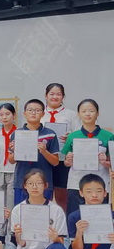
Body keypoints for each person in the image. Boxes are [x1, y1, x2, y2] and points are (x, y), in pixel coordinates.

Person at [11, 169, 68, 249]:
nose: (34, 187)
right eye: (30, 183)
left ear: (46, 185)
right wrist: (19, 235)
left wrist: (55, 238)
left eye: (39, 183)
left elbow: (61, 242)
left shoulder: (56, 210)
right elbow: (21, 244)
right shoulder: (18, 210)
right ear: (25, 186)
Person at [61, 99, 113, 216]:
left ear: (98, 113)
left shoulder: (108, 136)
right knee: (75, 216)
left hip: (100, 183)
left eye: (91, 111)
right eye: (84, 111)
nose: (88, 114)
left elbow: (112, 163)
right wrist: (68, 161)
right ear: (78, 114)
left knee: (99, 217)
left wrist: (106, 162)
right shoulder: (72, 136)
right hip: (76, 183)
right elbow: (66, 163)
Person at [9, 99, 59, 205]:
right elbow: (11, 160)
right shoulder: (17, 133)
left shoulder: (50, 134)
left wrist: (44, 152)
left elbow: (55, 162)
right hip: (22, 181)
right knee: (21, 211)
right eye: (30, 110)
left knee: (43, 211)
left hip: (44, 183)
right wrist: (17, 151)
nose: (33, 113)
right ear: (24, 113)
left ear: (43, 114)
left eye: (37, 110)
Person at [41, 83, 81, 213]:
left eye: (58, 94)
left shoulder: (71, 115)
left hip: (63, 160)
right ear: (46, 95)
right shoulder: (40, 113)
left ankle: (63, 221)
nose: (55, 97)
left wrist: (71, 137)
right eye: (51, 94)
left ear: (63, 96)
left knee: (61, 195)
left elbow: (79, 135)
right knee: (42, 192)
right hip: (43, 159)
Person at [0, 103, 17, 212]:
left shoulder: (20, 133)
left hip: (14, 171)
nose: (4, 117)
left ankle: (10, 224)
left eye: (7, 114)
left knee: (11, 204)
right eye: (1, 115)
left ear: (14, 115)